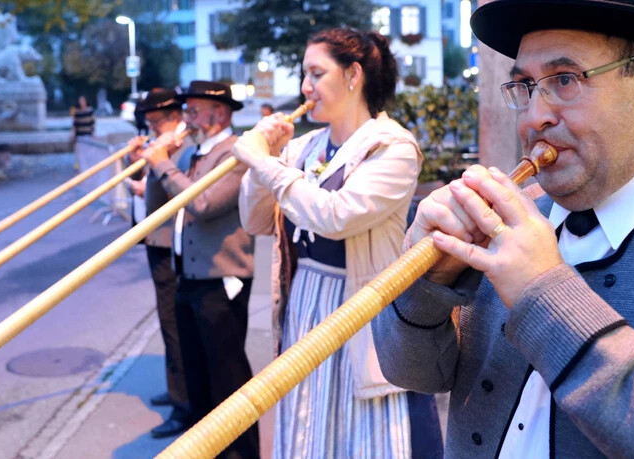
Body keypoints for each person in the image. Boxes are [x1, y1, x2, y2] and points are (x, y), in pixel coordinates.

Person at [372, 0, 634, 457]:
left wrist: (541, 292)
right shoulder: (514, 213)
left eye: (565, 80)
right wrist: (427, 288)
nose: (534, 117)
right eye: (526, 86)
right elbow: (412, 374)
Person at [234, 28, 443, 458]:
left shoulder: (393, 147)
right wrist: (265, 161)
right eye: (304, 75)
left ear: (353, 75)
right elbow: (254, 221)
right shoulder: (305, 145)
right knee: (310, 425)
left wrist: (262, 163)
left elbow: (335, 216)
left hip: (362, 308)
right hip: (305, 299)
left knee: (364, 434)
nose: (305, 88)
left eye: (316, 73)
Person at [140, 80, 258, 456]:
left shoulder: (234, 153)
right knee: (197, 376)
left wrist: (161, 163)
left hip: (221, 279)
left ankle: (239, 453)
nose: (186, 117)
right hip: (189, 276)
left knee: (227, 379)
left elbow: (203, 204)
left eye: (192, 110)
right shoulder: (193, 152)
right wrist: (160, 157)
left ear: (218, 113)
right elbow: (163, 204)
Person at [125, 89, 195, 438]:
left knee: (175, 324)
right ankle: (176, 389)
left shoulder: (183, 143)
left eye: (155, 121)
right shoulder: (162, 142)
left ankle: (185, 407)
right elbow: (153, 185)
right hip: (158, 241)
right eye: (149, 122)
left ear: (173, 115)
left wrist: (154, 159)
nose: (151, 127)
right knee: (168, 321)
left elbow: (180, 187)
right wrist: (138, 163)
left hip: (173, 245)